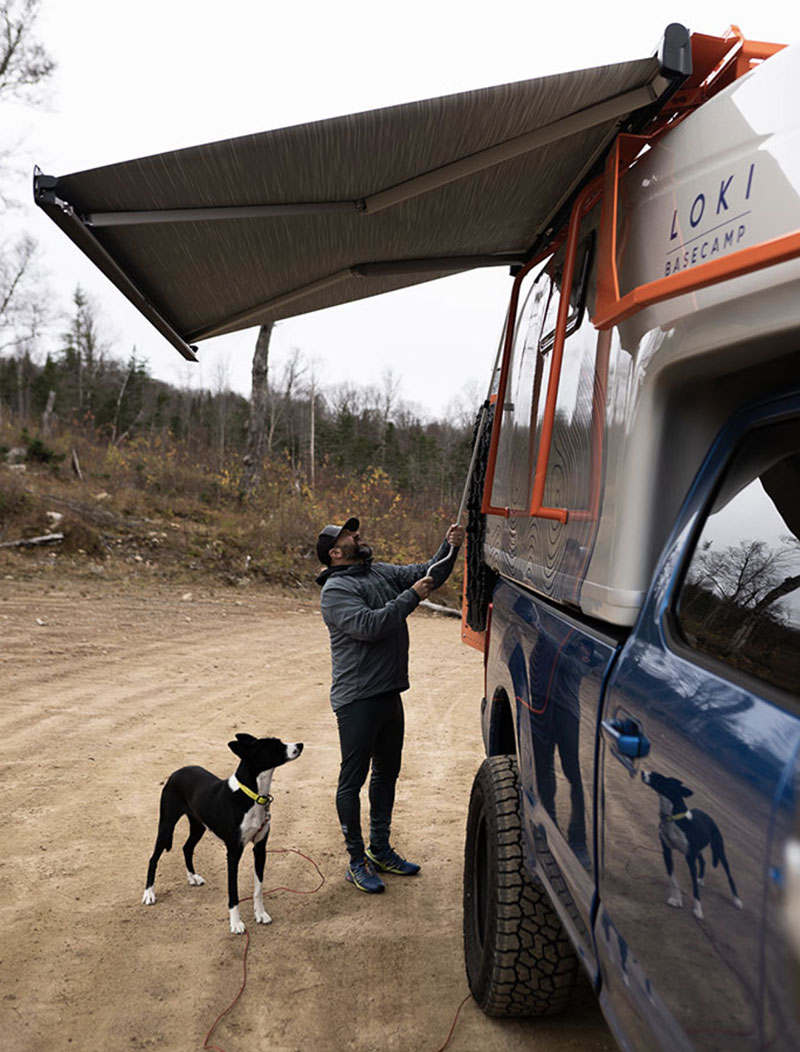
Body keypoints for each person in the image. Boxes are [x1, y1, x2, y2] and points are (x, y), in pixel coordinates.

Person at [316, 516, 464, 893]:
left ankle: (380, 849)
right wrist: (412, 595)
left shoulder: (378, 571)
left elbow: (428, 573)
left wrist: (451, 547)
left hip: (388, 693)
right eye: (349, 535)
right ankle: (356, 860)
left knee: (387, 773)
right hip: (357, 699)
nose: (356, 535)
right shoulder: (335, 590)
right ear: (335, 553)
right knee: (352, 781)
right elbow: (369, 626)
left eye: (353, 531)